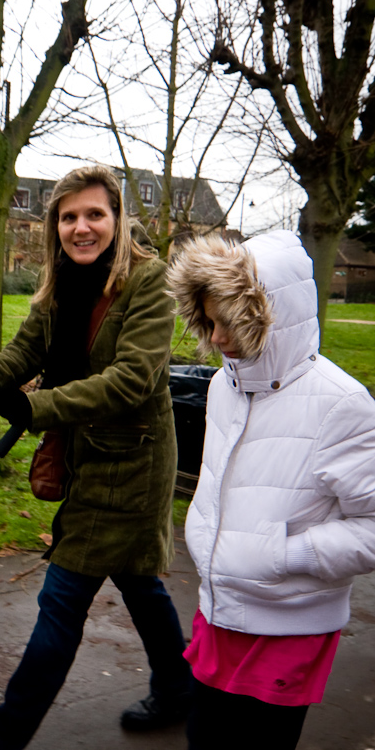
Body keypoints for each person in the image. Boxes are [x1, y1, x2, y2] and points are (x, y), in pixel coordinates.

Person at [0, 164, 193, 750]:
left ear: (117, 219)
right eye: (68, 217)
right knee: (138, 581)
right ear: (55, 224)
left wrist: (37, 409)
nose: (81, 228)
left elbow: (131, 379)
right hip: (89, 454)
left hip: (133, 463)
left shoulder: (148, 282)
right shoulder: (58, 285)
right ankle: (180, 687)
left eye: (94, 215)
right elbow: (23, 351)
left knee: (61, 601)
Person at [166, 230, 375, 750]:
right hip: (219, 610)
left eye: (229, 322)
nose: (215, 337)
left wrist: (284, 554)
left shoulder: (341, 404)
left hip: (288, 626)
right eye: (209, 321)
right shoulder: (222, 386)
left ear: (271, 316)